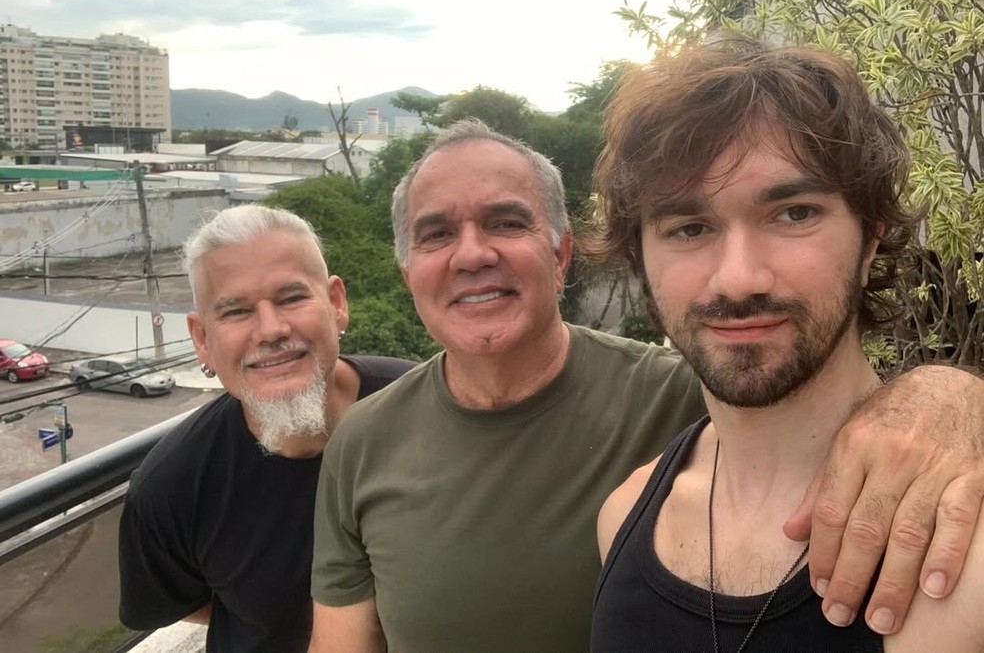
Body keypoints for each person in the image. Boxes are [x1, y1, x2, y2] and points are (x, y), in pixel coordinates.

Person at [309, 120, 984, 652]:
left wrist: (952, 397)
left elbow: (801, 394)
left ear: (561, 253)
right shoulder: (365, 441)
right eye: (436, 235)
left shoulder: (680, 390)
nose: (472, 253)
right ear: (408, 275)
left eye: (507, 222)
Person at [589, 42, 984, 651]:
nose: (738, 279)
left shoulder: (961, 546)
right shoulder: (622, 516)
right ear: (641, 259)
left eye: (794, 213)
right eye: (689, 228)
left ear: (869, 241)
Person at [117, 205, 415, 652]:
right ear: (202, 339)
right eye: (236, 311)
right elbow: (179, 605)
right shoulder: (172, 486)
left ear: (336, 303)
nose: (271, 330)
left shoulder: (419, 408)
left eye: (292, 298)